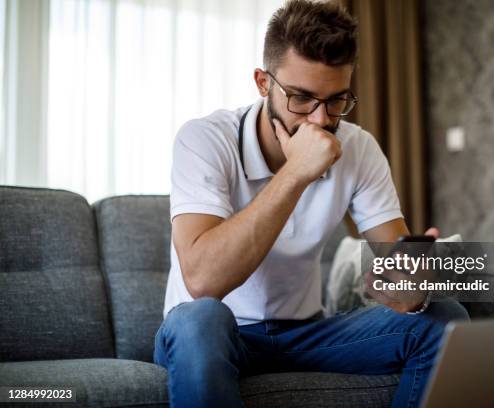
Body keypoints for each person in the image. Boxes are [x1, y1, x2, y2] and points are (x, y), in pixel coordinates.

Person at [154, 1, 468, 407]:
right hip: (212, 335)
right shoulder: (204, 140)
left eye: (336, 100)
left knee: (445, 320)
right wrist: (296, 172)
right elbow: (202, 281)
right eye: (301, 98)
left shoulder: (359, 148)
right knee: (201, 318)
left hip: (304, 334)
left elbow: (395, 258)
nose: (319, 120)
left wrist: (411, 287)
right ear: (263, 83)